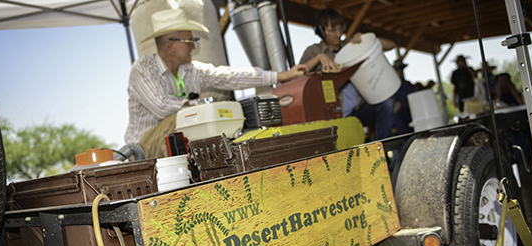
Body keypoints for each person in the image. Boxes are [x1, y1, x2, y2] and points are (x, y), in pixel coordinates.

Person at [125, 8, 307, 158]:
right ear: (171, 45)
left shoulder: (191, 70)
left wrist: (281, 76)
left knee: (201, 117)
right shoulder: (142, 68)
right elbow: (161, 107)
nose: (193, 47)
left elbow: (230, 76)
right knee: (189, 117)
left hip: (174, 137)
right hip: (141, 150)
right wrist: (201, 107)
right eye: (190, 41)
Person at [298, 8, 397, 140]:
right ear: (321, 31)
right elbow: (297, 75)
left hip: (358, 110)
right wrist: (319, 58)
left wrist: (366, 39)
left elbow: (391, 45)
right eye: (333, 30)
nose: (339, 34)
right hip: (333, 116)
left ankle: (381, 147)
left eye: (341, 28)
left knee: (387, 103)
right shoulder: (314, 51)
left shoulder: (350, 45)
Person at [391, 60, 417, 135]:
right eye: (397, 69)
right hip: (399, 120)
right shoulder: (391, 86)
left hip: (412, 116)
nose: (400, 71)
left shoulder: (408, 85)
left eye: (401, 69)